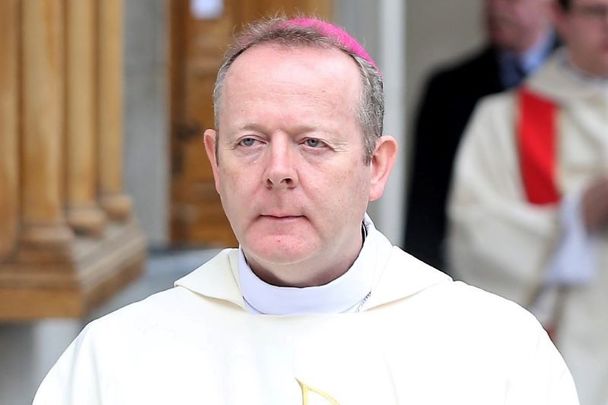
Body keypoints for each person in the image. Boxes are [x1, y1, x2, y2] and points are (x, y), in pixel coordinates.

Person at [34, 16, 578, 404]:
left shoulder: (494, 350)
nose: (278, 169)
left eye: (312, 143)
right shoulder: (115, 360)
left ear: (376, 166)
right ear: (214, 163)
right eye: (248, 141)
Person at [448, 0, 608, 403]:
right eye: (596, 12)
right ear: (561, 17)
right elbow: (475, 237)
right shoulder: (504, 119)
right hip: (565, 357)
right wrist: (574, 218)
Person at [405, 0, 558, 271]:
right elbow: (425, 209)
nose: (497, 8)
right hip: (482, 270)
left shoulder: (586, 80)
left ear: (553, 6)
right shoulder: (447, 90)